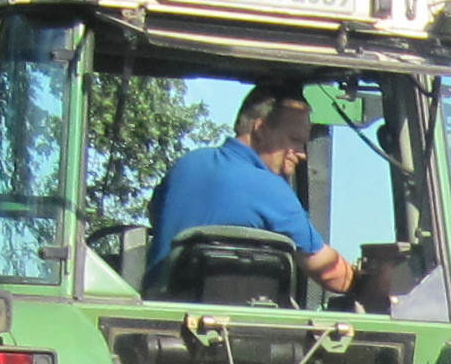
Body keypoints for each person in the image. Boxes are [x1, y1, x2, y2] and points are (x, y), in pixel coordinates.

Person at [148, 88, 358, 299]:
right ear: (260, 128)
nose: (302, 153)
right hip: (234, 326)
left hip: (157, 318)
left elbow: (156, 216)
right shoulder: (271, 189)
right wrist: (369, 280)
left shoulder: (186, 165)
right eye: (294, 140)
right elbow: (332, 275)